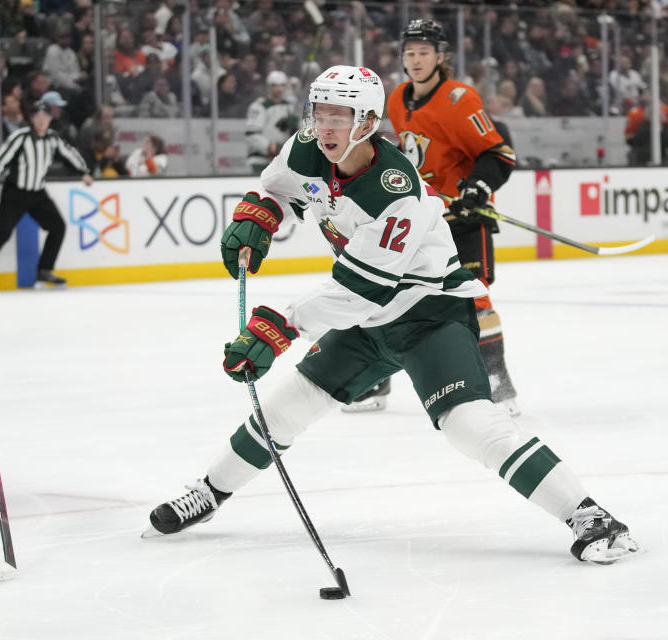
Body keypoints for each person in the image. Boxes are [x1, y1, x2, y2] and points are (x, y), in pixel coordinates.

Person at [143, 65, 639, 566]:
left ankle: (590, 515)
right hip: (367, 321)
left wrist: (280, 327)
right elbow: (281, 187)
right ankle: (209, 492)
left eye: (340, 115)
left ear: (367, 122)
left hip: (428, 315)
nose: (326, 125)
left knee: (470, 425)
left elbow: (360, 290)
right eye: (320, 112)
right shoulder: (308, 146)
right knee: (284, 410)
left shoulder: (394, 190)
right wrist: (260, 217)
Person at [384, 18, 520, 415]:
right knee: (392, 295)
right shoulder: (396, 100)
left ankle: (496, 379)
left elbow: (498, 153)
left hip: (463, 221)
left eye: (424, 52)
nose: (416, 59)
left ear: (440, 56)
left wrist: (476, 188)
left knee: (474, 299)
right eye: (409, 52)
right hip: (422, 221)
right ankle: (374, 378)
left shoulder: (460, 98)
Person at [0, 100, 93, 285]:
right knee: (2, 232)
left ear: (50, 118)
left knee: (58, 227)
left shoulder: (53, 138)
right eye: (38, 117)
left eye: (45, 117)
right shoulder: (21, 137)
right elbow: (1, 158)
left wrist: (83, 172)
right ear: (32, 118)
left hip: (37, 194)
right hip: (15, 192)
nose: (42, 121)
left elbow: (69, 154)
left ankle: (44, 269)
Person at [245, 70, 299, 174]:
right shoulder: (259, 106)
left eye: (282, 85)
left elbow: (296, 130)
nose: (279, 89)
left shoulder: (289, 106)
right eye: (275, 85)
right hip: (260, 160)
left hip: (282, 160)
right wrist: (269, 146)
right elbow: (251, 134)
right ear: (269, 86)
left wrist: (295, 127)